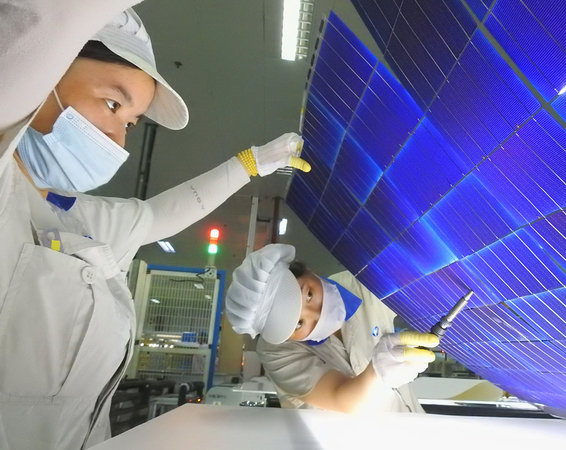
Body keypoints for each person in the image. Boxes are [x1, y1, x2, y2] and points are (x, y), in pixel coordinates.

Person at [0, 6, 310, 450]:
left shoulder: (81, 221)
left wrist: (251, 165)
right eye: (112, 104)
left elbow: (163, 214)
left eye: (129, 123)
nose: (118, 140)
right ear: (44, 73)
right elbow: (39, 22)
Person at [225, 244, 439, 414]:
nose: (317, 315)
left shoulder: (361, 283)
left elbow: (423, 286)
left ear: (308, 271)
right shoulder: (276, 351)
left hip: (415, 424)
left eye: (309, 294)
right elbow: (341, 398)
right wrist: (377, 371)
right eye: (298, 323)